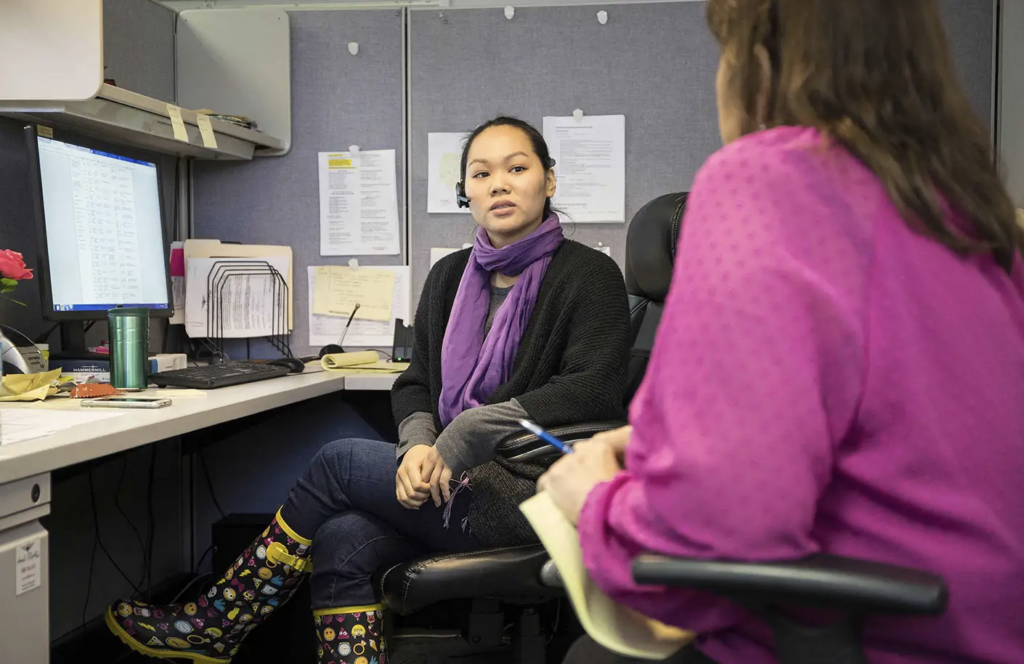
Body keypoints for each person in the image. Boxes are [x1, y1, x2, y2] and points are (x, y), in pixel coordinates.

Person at [541, 1, 1024, 663]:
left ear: (760, 65)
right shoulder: (972, 214)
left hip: (868, 639)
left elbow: (714, 536)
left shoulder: (770, 181)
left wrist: (594, 499)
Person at [105, 116, 632, 664]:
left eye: (517, 168)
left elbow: (594, 389)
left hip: (534, 494)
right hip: (452, 482)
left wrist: (466, 434)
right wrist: (418, 449)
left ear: (548, 181)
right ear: (465, 193)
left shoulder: (589, 274)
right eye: (481, 174)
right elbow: (417, 382)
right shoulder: (452, 276)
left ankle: (218, 621)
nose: (498, 184)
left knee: (337, 463)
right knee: (341, 539)